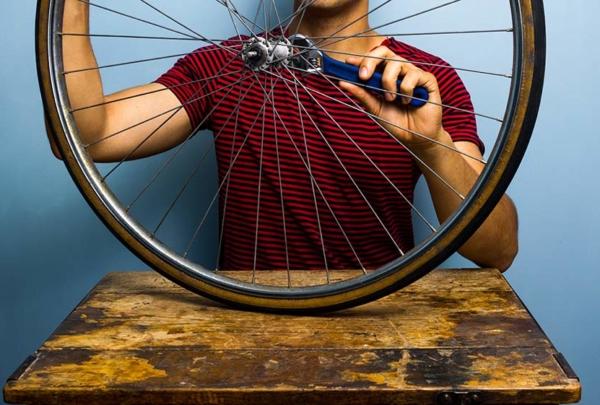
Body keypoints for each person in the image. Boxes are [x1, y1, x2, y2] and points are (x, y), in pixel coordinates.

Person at [50, 0, 518, 271]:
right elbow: (87, 135)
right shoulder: (225, 66)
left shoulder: (425, 80)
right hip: (243, 330)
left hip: (380, 330)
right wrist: (68, 5)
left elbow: (498, 249)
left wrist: (430, 145)